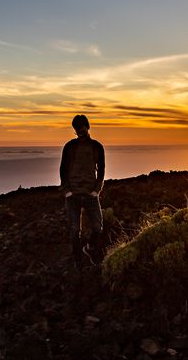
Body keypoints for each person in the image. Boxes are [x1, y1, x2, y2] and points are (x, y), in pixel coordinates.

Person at [60, 114, 105, 268]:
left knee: (98, 227)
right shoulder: (69, 147)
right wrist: (66, 191)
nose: (80, 131)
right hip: (72, 196)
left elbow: (102, 170)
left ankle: (90, 248)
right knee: (74, 231)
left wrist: (96, 190)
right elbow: (63, 170)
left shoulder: (97, 147)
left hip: (91, 195)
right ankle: (78, 261)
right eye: (77, 129)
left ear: (88, 126)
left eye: (82, 128)